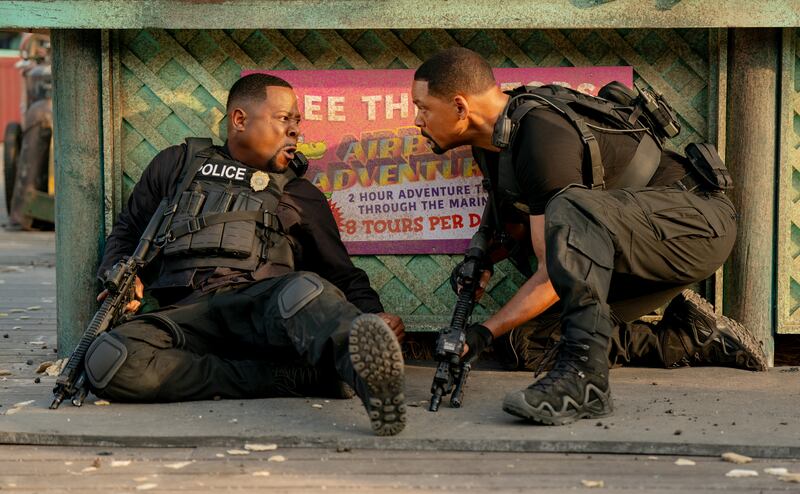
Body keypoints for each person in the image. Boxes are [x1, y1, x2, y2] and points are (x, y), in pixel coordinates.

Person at [411, 47, 767, 425]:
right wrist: (481, 261)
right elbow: (519, 227)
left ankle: (585, 383)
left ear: (461, 107)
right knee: (527, 343)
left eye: (423, 107)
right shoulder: (495, 142)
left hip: (694, 225)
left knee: (570, 209)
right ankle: (692, 337)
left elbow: (554, 267)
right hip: (633, 245)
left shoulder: (539, 134)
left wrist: (482, 331)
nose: (417, 120)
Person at [84, 73, 407, 436]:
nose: (295, 131)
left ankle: (372, 382)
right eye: (284, 119)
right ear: (240, 120)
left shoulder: (299, 193)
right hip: (187, 318)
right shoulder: (178, 164)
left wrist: (374, 315)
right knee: (109, 361)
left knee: (304, 290)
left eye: (297, 122)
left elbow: (342, 273)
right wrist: (119, 274)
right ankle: (291, 379)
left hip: (263, 315)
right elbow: (128, 230)